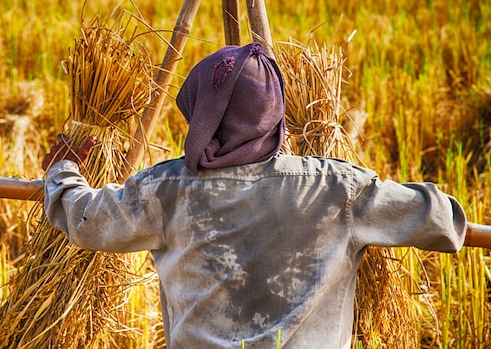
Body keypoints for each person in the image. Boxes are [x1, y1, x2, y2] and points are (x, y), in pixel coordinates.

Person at [41, 43, 467, 349]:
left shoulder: (165, 190)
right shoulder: (338, 189)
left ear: (204, 115)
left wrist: (63, 170)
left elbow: (87, 220)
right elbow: (443, 222)